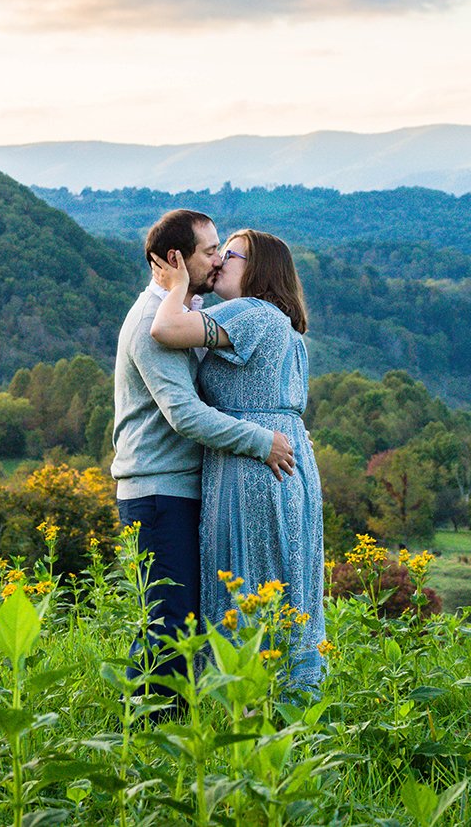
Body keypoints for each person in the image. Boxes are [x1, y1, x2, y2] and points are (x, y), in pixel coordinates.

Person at [111, 209, 296, 693]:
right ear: (176, 259)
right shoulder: (155, 321)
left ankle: (178, 732)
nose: (217, 262)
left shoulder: (188, 316)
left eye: (222, 251)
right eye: (210, 252)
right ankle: (153, 739)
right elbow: (186, 415)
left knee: (188, 622)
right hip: (158, 490)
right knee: (169, 627)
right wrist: (261, 440)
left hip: (185, 489)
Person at [149, 228, 326, 694]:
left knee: (251, 583)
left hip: (254, 466)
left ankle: (253, 707)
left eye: (231, 253)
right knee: (283, 579)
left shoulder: (251, 313)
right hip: (284, 458)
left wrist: (176, 286)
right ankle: (286, 706)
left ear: (259, 269)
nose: (220, 260)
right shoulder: (275, 321)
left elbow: (165, 330)